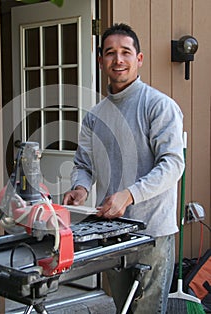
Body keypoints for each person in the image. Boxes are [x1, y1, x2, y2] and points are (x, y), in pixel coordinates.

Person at [63, 23, 184, 314]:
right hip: (112, 230)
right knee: (123, 308)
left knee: (147, 311)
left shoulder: (158, 106)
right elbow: (83, 164)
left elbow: (173, 164)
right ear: (101, 60)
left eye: (125, 52)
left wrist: (128, 195)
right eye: (110, 53)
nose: (118, 59)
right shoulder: (95, 116)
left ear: (138, 59)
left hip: (152, 232)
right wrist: (80, 187)